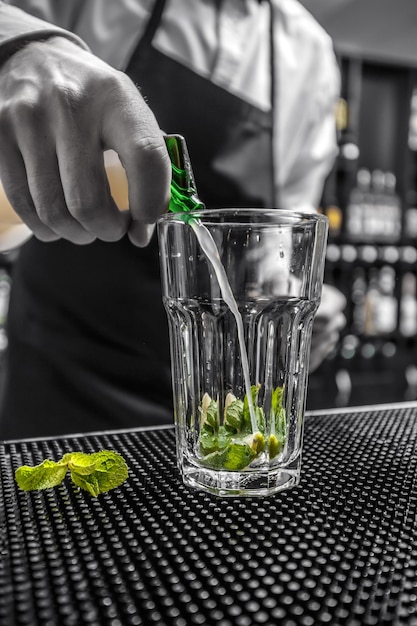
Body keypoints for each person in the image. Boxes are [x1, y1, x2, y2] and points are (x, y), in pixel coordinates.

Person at [0, 0, 345, 439]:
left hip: (213, 403)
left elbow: (279, 236)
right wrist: (20, 48)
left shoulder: (308, 51)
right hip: (64, 373)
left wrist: (294, 296)